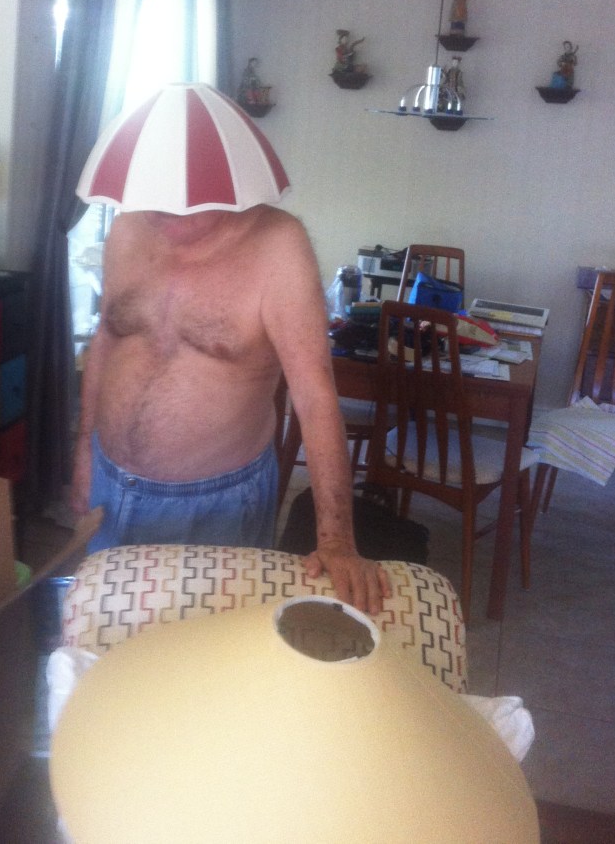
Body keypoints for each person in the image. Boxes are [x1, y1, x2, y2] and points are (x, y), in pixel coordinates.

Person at [70, 83, 390, 615]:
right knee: (107, 631)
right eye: (150, 198)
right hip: (110, 479)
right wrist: (84, 450)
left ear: (231, 186)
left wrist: (336, 540)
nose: (161, 216)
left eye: (182, 205)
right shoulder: (127, 231)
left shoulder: (278, 246)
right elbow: (107, 339)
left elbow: (314, 397)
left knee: (202, 647)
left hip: (216, 505)